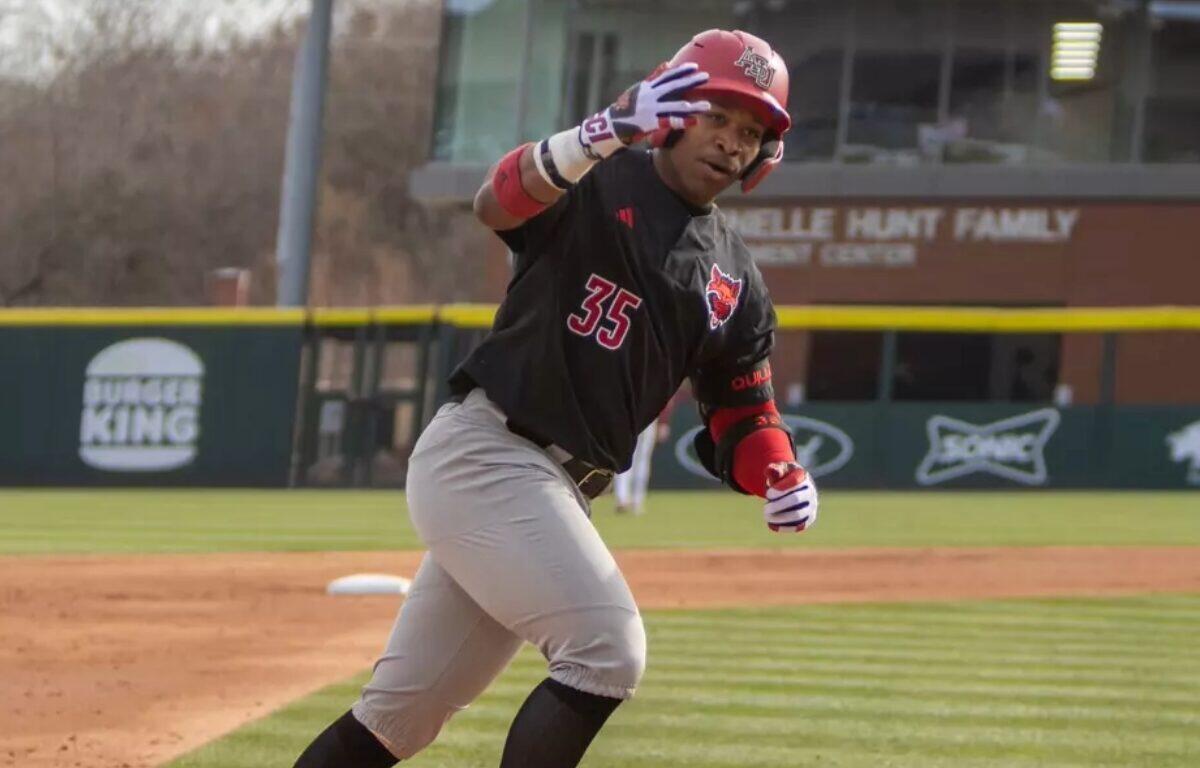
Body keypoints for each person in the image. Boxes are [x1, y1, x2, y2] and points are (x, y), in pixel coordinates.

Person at [292, 28, 819, 768]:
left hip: (556, 489)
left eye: (752, 131)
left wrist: (779, 469)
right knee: (608, 650)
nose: (733, 141)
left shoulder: (737, 275)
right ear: (672, 110)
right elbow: (496, 204)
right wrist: (600, 132)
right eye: (717, 116)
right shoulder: (600, 175)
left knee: (398, 719)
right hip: (488, 452)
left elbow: (743, 410)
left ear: (766, 153)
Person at [612, 393, 679, 515]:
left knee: (632, 457)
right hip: (637, 415)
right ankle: (630, 499)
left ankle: (627, 498)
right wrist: (664, 421)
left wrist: (663, 421)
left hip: (636, 415)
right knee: (636, 458)